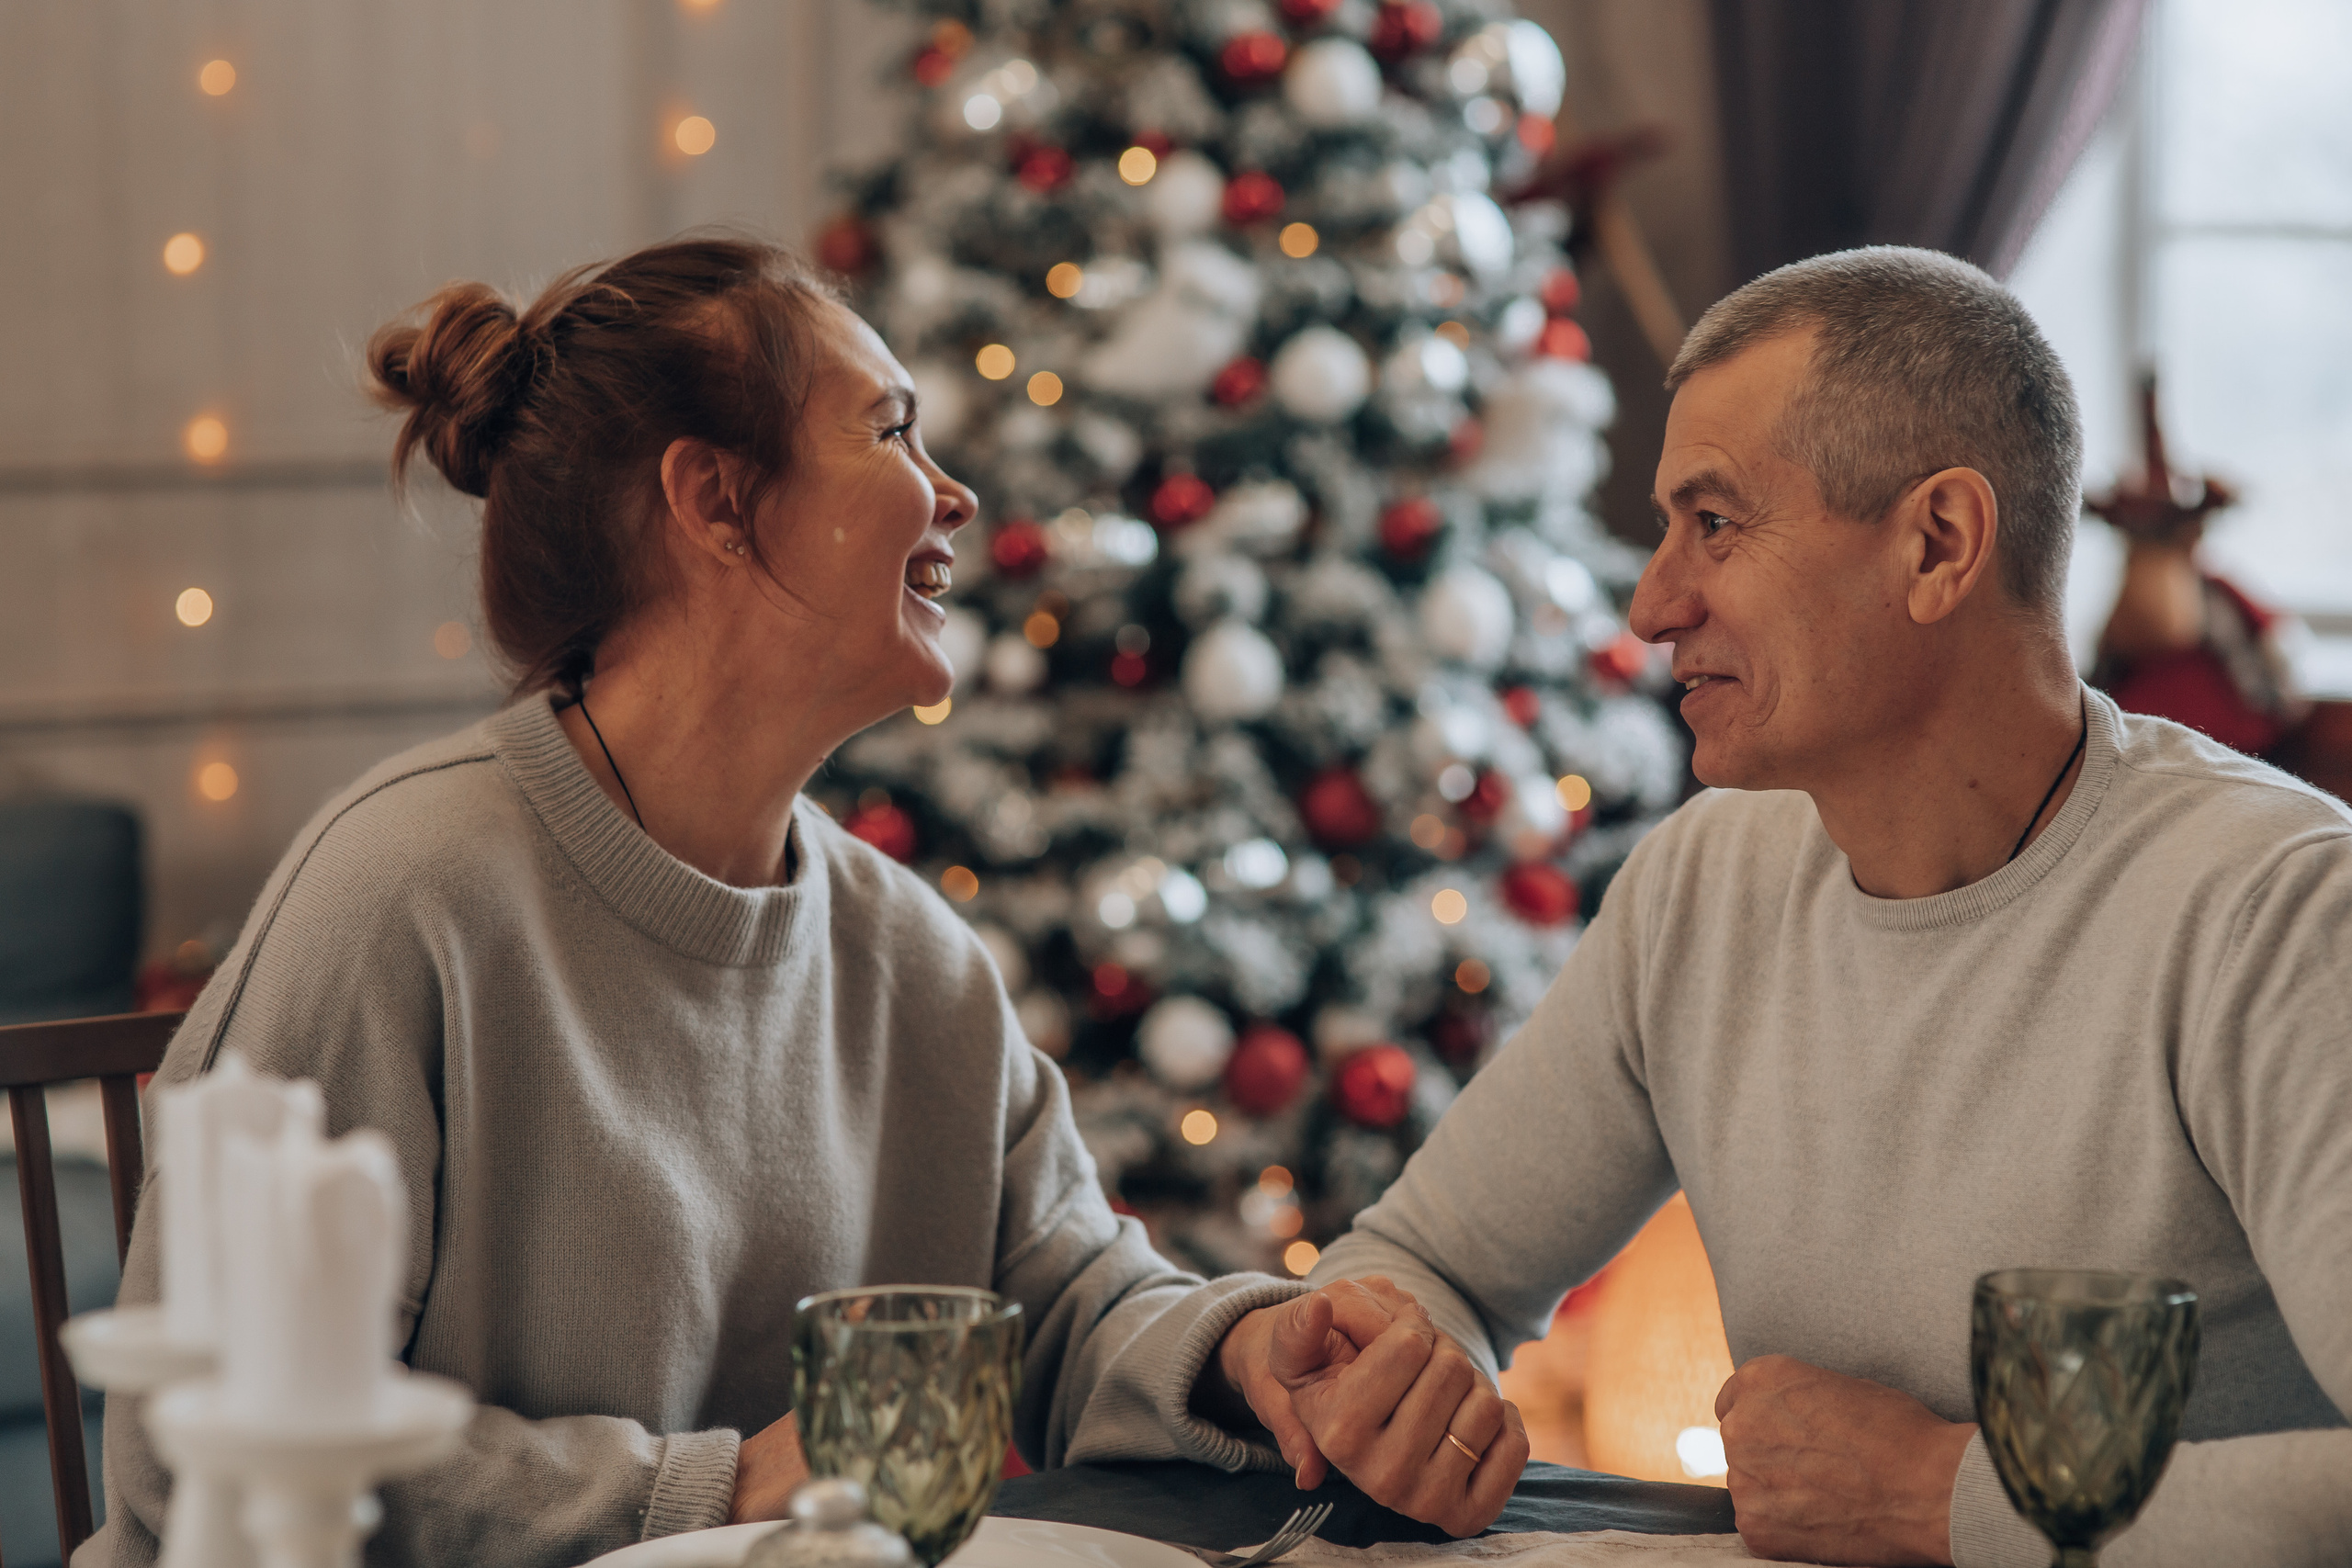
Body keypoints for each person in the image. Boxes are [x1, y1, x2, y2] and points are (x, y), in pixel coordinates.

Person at [85, 237, 1306, 1568]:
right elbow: (197, 1443)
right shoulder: (403, 894)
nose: (951, 494)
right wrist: (714, 1492)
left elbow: (1070, 1304)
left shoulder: (914, 959)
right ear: (717, 500)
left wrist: (1249, 1353)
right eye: (891, 432)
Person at [1194, 247, 2352, 1564]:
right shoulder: (1706, 879)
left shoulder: (2281, 915)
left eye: (1717, 524)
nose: (1651, 604)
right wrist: (1392, 1363)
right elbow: (1426, 1260)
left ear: (1939, 544)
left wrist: (1937, 1495)